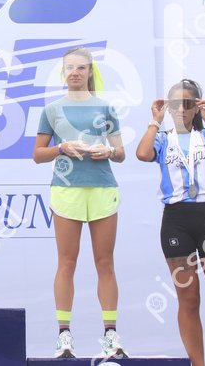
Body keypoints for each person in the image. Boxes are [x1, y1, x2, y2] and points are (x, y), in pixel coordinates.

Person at [135, 79, 205, 366]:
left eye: (187, 104)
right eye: (175, 104)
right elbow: (143, 154)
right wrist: (155, 120)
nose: (181, 109)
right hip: (176, 221)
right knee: (189, 300)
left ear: (197, 106)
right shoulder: (162, 138)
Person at [33, 46, 127, 359]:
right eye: (70, 67)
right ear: (63, 72)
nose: (75, 72)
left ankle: (110, 335)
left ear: (89, 72)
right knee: (67, 262)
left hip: (102, 188)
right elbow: (38, 154)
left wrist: (108, 151)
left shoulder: (106, 107)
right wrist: (61, 148)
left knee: (105, 262)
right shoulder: (52, 110)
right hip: (66, 190)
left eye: (81, 68)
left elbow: (121, 153)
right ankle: (64, 336)